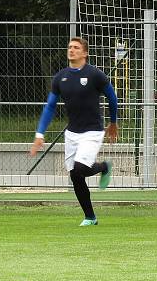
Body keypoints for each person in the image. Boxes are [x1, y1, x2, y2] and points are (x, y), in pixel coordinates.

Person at [29, 37, 118, 226]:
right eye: (70, 47)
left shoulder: (95, 75)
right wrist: (39, 134)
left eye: (76, 48)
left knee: (81, 169)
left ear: (85, 53)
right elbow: (50, 106)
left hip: (92, 131)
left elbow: (112, 97)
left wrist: (113, 122)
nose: (72, 50)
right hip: (72, 133)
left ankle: (103, 167)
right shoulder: (60, 77)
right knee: (75, 175)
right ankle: (90, 217)